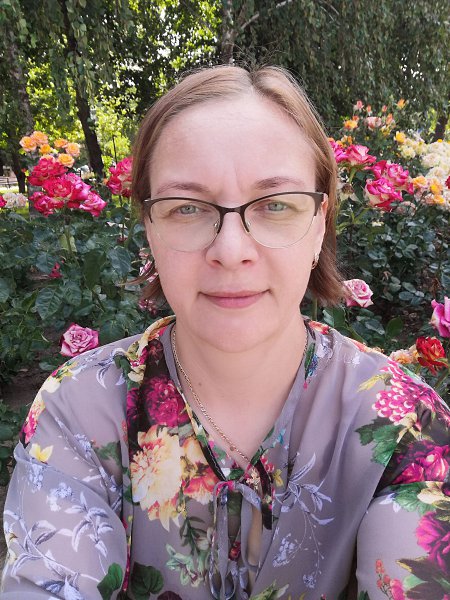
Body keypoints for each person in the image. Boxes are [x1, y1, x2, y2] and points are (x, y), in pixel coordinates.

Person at [1, 65, 449, 600]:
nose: (231, 250)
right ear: (149, 228)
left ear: (319, 225)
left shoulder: (406, 428)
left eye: (275, 205)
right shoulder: (80, 409)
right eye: (187, 208)